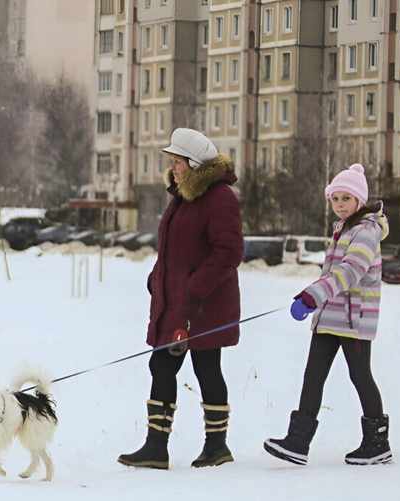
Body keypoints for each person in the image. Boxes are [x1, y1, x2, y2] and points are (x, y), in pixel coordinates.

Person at [117, 128, 243, 470]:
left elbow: (228, 252)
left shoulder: (220, 198)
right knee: (161, 364)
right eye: (171, 162)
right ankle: (156, 447)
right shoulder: (183, 197)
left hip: (204, 305)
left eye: (178, 161)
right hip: (175, 302)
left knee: (206, 367)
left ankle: (216, 446)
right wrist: (157, 278)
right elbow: (174, 250)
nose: (173, 168)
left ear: (195, 163)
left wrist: (195, 289)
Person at [264, 163, 393, 466]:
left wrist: (313, 295)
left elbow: (350, 272)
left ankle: (378, 442)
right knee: (313, 376)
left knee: (360, 376)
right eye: (335, 199)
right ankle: (298, 441)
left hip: (354, 319)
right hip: (329, 317)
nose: (339, 205)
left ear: (359, 200)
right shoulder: (342, 229)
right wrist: (317, 301)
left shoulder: (366, 231)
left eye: (346, 199)